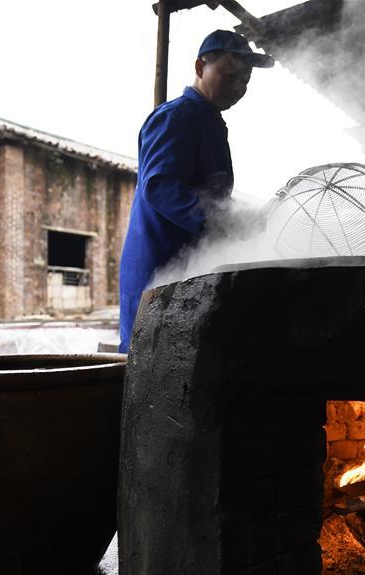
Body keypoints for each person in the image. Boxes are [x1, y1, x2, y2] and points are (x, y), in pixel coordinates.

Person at [118, 30, 273, 353]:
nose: (238, 88)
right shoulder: (177, 116)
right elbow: (161, 187)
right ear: (201, 67)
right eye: (230, 76)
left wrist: (243, 219)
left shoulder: (210, 122)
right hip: (160, 271)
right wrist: (223, 224)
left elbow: (212, 198)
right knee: (152, 364)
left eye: (245, 80)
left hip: (188, 272)